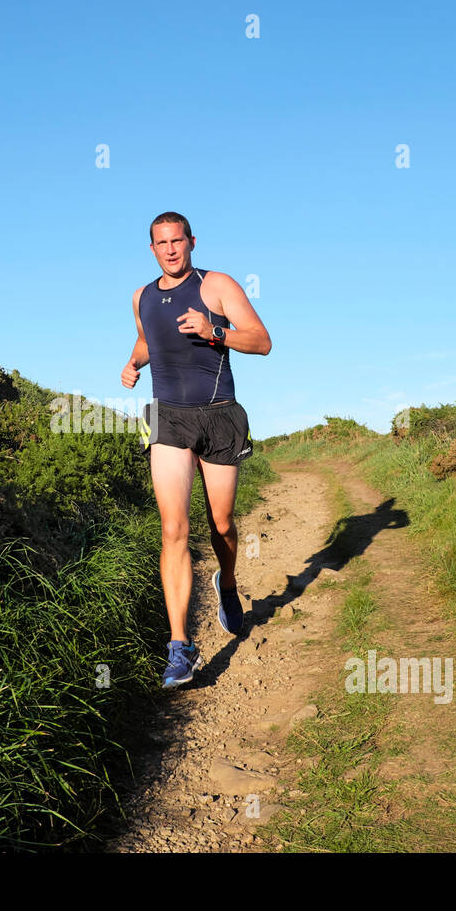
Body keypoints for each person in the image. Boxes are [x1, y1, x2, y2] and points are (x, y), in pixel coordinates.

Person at [121, 212, 272, 688]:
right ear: (151, 249)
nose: (170, 249)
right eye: (161, 243)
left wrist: (214, 331)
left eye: (177, 241)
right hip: (168, 417)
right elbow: (148, 340)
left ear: (191, 242)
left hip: (220, 414)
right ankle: (179, 647)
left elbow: (263, 342)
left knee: (222, 524)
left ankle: (227, 583)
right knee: (173, 529)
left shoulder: (217, 285)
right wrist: (132, 362)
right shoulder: (141, 297)